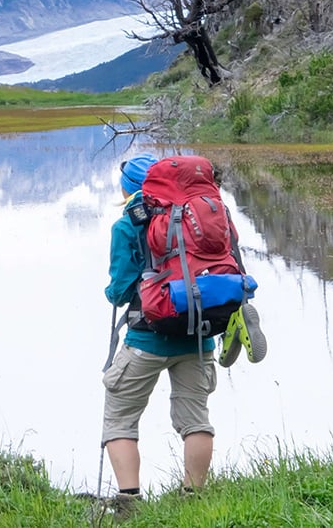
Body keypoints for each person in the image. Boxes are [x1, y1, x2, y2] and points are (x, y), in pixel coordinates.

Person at [98, 153, 216, 512]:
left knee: (119, 417)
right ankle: (193, 498)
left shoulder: (126, 226)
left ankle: (130, 502)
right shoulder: (198, 215)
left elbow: (119, 291)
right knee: (195, 418)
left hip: (146, 338)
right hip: (198, 335)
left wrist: (113, 291)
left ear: (129, 188)